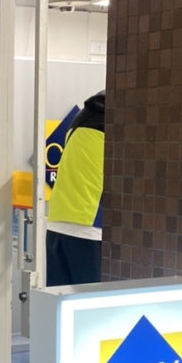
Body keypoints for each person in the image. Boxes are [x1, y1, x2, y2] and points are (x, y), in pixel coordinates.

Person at [46, 89, 105, 286]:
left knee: (59, 299)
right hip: (88, 226)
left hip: (57, 223)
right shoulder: (113, 127)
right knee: (91, 301)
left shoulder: (78, 122)